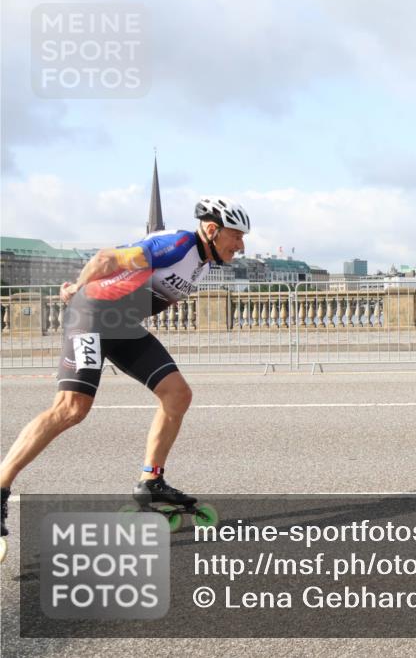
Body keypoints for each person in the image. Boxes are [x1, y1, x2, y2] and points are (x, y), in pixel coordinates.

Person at [0, 197, 250, 549]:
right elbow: (106, 258)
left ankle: (151, 481)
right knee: (71, 408)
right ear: (212, 229)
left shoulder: (204, 265)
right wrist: (76, 288)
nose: (240, 246)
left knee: (177, 394)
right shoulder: (176, 245)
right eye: (236, 237)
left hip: (123, 327)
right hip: (92, 316)